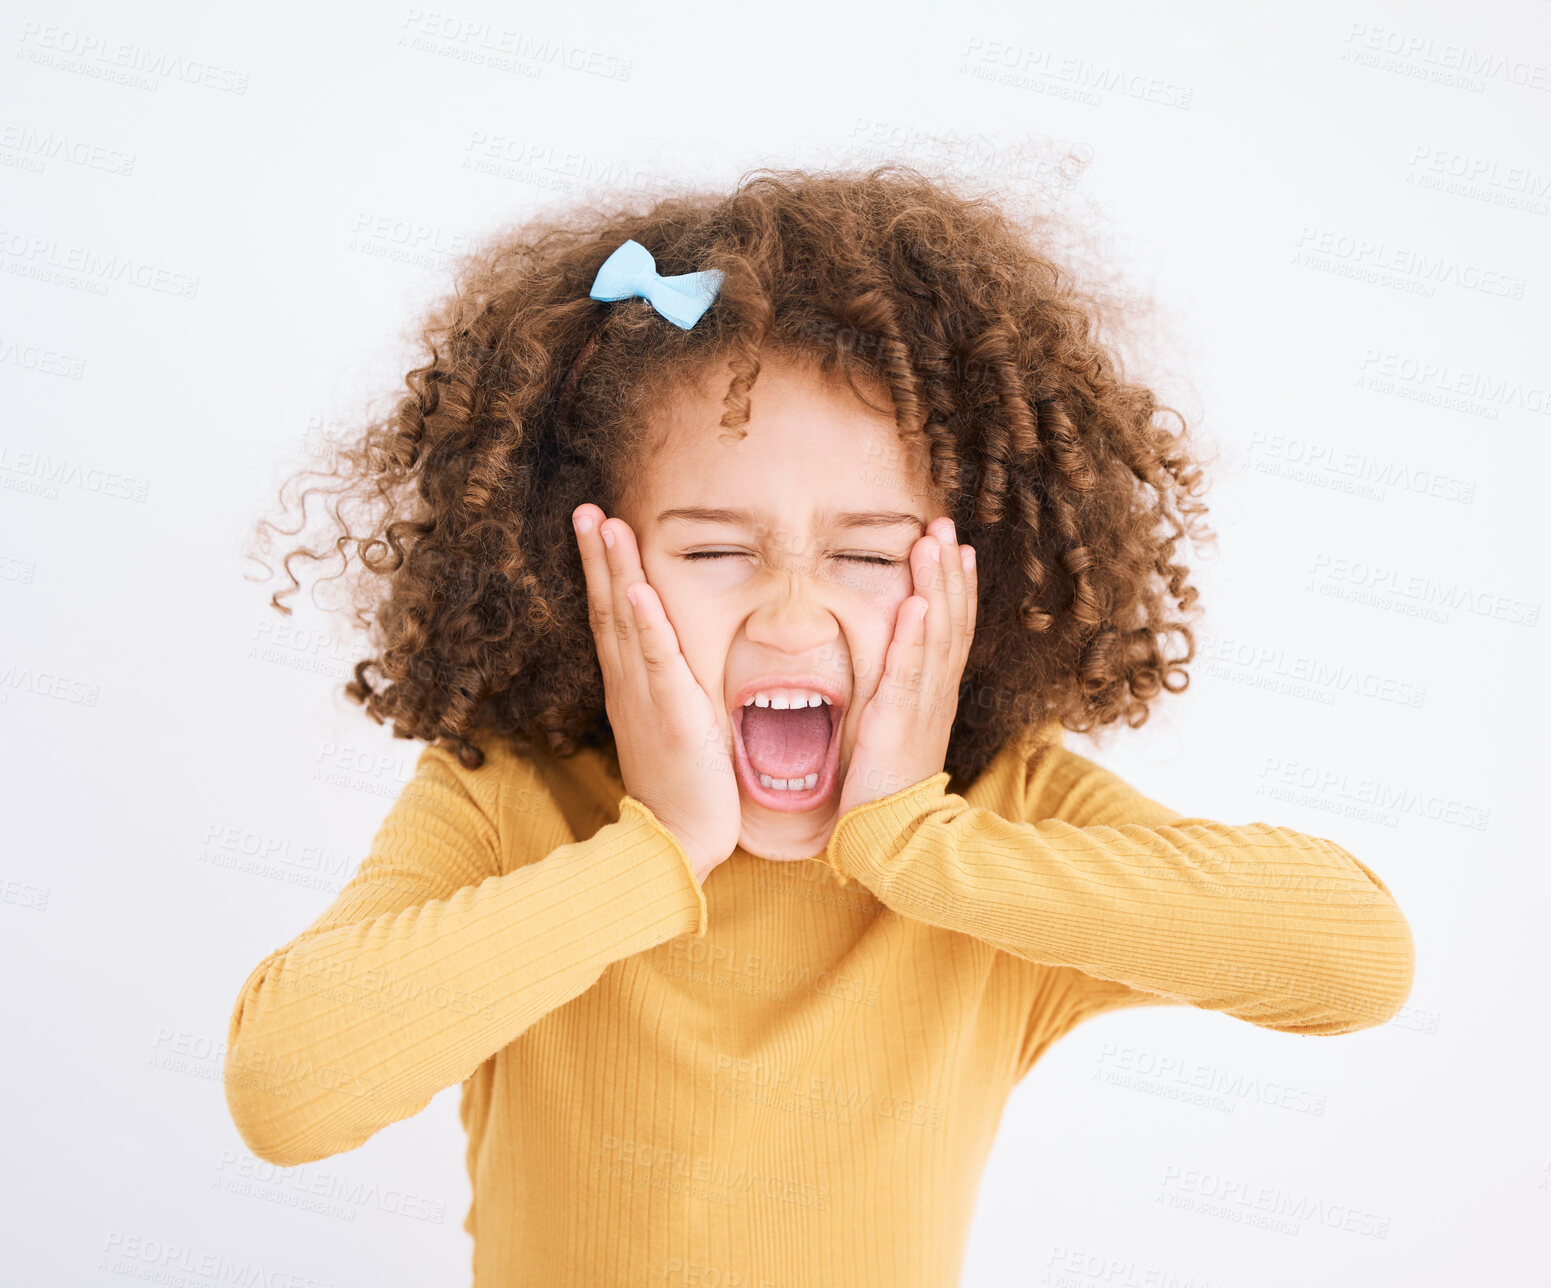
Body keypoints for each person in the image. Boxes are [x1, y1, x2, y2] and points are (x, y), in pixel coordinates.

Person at [224, 163, 1415, 1287]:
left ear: (972, 579)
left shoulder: (993, 823)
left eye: (865, 555)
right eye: (715, 550)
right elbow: (287, 1091)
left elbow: (1355, 960)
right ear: (585, 565)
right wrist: (658, 852)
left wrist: (914, 843)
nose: (794, 611)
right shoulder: (512, 802)